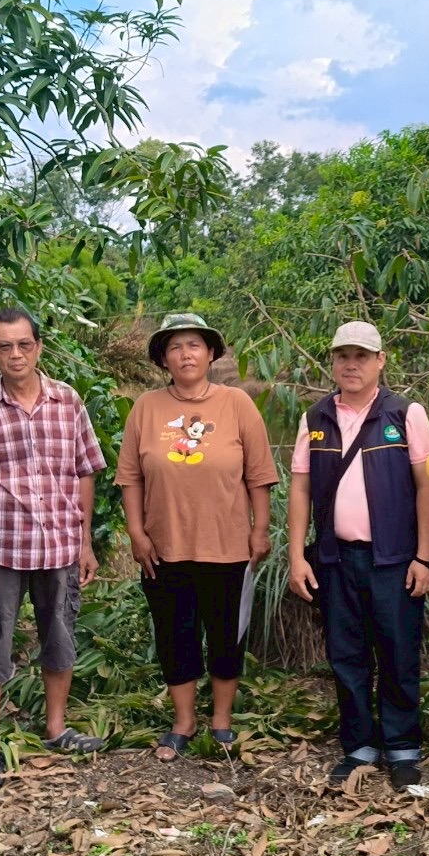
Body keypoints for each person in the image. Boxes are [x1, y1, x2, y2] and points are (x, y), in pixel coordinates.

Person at [0, 307, 107, 789]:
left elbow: (84, 471)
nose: (16, 354)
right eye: (5, 346)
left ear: (39, 346)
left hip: (58, 543)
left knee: (60, 635)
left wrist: (84, 541)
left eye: (24, 344)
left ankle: (56, 729)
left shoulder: (68, 401)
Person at [115, 313, 277, 761]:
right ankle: (184, 721)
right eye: (175, 347)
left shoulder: (237, 404)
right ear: (163, 358)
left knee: (226, 634)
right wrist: (135, 532)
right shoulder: (146, 408)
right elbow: (130, 477)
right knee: (175, 634)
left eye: (193, 345)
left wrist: (259, 530)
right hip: (164, 547)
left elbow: (259, 474)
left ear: (210, 353)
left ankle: (221, 720)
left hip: (226, 545)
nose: (185, 354)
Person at [287, 322, 429, 789]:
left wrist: (425, 557)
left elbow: (427, 486)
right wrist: (297, 556)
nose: (351, 364)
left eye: (361, 355)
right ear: (332, 361)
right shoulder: (315, 419)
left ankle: (402, 748)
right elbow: (300, 486)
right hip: (335, 559)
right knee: (347, 655)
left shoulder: (405, 413)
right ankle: (358, 747)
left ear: (380, 361)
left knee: (397, 652)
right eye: (342, 356)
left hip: (394, 559)